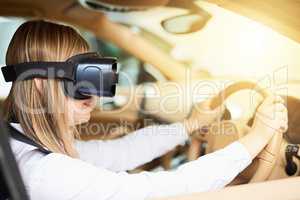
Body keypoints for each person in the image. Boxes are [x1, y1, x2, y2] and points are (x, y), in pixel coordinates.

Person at [2, 20, 287, 200]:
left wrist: (189, 125)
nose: (94, 99)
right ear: (40, 83)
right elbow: (161, 190)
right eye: (83, 83)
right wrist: (255, 139)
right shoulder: (46, 172)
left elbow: (121, 152)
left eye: (97, 79)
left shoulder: (23, 145)